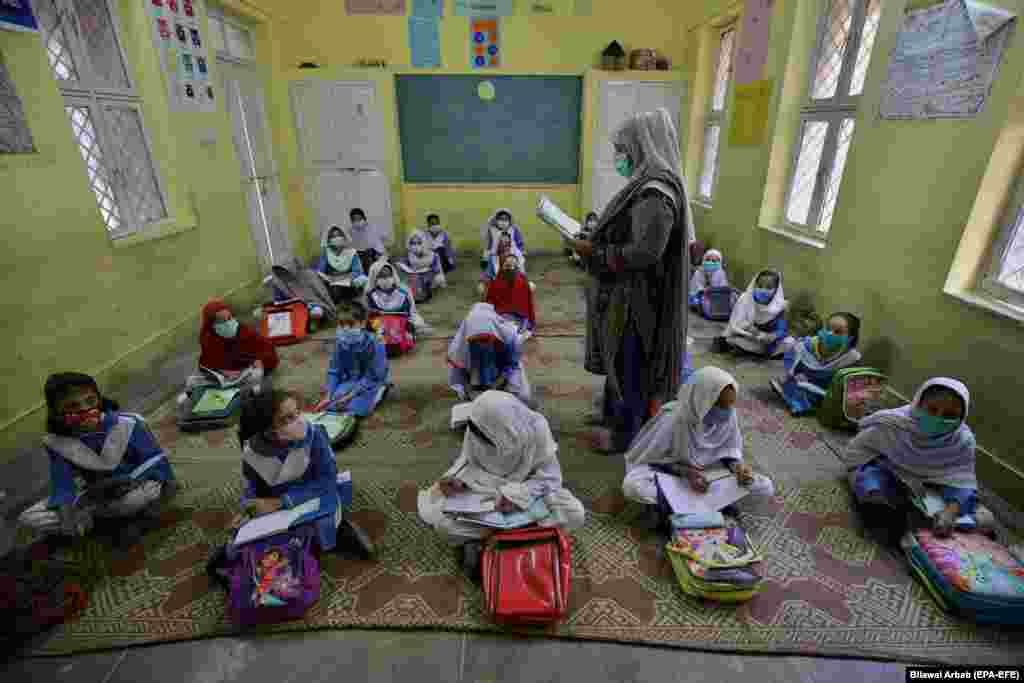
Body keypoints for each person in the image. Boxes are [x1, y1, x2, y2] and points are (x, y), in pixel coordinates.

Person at [570, 108, 694, 454]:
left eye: (623, 149)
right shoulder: (645, 188)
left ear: (642, 147)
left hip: (640, 301)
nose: (619, 157)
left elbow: (643, 254)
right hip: (628, 294)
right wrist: (595, 240)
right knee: (620, 359)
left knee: (632, 364)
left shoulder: (656, 194)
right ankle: (613, 416)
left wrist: (594, 252)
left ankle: (626, 436)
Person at [417, 390, 585, 578]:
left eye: (489, 438)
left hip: (529, 494)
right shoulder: (476, 425)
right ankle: (527, 538)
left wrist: (516, 496)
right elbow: (465, 461)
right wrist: (455, 479)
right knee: (444, 525)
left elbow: (551, 478)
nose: (482, 441)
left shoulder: (537, 428)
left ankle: (487, 541)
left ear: (507, 429)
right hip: (486, 495)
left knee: (574, 513)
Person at [17, 373, 178, 549]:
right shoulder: (57, 442)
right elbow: (62, 485)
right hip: (94, 495)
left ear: (99, 399)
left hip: (132, 486)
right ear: (57, 412)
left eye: (90, 400)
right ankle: (94, 519)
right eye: (72, 406)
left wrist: (137, 482)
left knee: (135, 499)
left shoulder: (127, 424)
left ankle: (94, 521)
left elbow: (154, 461)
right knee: (29, 517)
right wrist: (67, 516)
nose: (85, 410)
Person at [622, 367, 774, 528]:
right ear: (703, 400)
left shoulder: (729, 416)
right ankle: (712, 507)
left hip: (712, 477)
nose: (727, 412)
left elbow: (730, 450)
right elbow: (652, 459)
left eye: (730, 405)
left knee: (764, 487)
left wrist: (738, 467)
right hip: (677, 478)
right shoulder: (674, 419)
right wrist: (687, 473)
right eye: (721, 406)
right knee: (633, 485)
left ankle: (680, 509)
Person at [841, 378, 980, 547]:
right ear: (917, 405)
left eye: (949, 416)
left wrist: (951, 511)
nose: (938, 418)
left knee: (968, 500)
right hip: (891, 471)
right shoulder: (894, 423)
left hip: (933, 484)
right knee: (869, 474)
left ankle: (938, 518)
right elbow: (858, 452)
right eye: (932, 410)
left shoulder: (962, 440)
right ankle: (877, 504)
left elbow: (962, 479)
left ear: (961, 418)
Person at [236, 388, 374, 557]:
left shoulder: (315, 436)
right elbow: (250, 487)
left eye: (297, 413)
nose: (299, 421)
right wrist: (249, 507)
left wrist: (282, 502)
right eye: (286, 419)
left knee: (323, 521)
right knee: (259, 538)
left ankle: (341, 530)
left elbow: (327, 481)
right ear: (267, 430)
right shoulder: (252, 453)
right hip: (277, 504)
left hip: (312, 494)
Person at [179, 300, 279, 407]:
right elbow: (207, 363)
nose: (228, 323)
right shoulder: (207, 338)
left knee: (256, 375)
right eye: (222, 321)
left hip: (245, 373)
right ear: (211, 324)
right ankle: (193, 394)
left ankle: (248, 393)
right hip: (222, 378)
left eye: (230, 318)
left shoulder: (243, 331)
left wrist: (261, 360)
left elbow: (267, 348)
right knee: (192, 381)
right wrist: (222, 372)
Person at [770, 312, 863, 416]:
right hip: (803, 383)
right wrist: (796, 374)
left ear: (850, 338)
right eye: (827, 328)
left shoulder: (851, 358)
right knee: (796, 386)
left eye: (838, 332)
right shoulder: (806, 345)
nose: (830, 334)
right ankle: (800, 400)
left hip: (827, 392)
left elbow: (850, 383)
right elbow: (792, 363)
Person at [312, 304, 391, 419]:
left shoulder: (376, 343)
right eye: (341, 325)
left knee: (355, 409)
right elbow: (334, 370)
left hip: (372, 382)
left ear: (362, 323)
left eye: (351, 325)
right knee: (332, 406)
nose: (345, 329)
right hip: (351, 380)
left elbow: (373, 376)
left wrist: (349, 396)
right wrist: (328, 396)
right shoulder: (340, 342)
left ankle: (382, 389)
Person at [448, 303, 531, 404]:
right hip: (477, 381)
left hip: (502, 374)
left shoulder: (509, 337)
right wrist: (467, 389)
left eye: (485, 340)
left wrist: (500, 381)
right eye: (476, 341)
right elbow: (458, 376)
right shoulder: (459, 348)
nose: (481, 344)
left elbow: (512, 364)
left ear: (494, 335)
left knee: (521, 396)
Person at [717, 269, 788, 358]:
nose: (763, 290)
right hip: (747, 336)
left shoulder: (779, 306)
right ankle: (749, 350)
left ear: (776, 290)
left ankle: (755, 351)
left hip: (767, 341)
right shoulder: (745, 299)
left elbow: (782, 329)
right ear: (754, 285)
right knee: (733, 340)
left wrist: (772, 336)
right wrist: (752, 331)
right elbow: (736, 324)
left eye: (769, 287)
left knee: (789, 343)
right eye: (760, 286)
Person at [364, 260, 429, 342]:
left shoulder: (402, 293)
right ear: (375, 278)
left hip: (400, 322)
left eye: (388, 276)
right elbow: (372, 315)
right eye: (381, 277)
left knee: (413, 326)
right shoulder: (371, 295)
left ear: (393, 276)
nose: (386, 280)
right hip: (381, 324)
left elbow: (408, 313)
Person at [267, 256, 336, 331]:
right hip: (291, 309)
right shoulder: (279, 283)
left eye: (285, 270)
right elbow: (277, 301)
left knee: (317, 311)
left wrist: (327, 306)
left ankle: (314, 323)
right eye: (281, 270)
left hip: (311, 306)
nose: (284, 273)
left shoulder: (309, 275)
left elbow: (321, 294)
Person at [484, 252, 536, 339]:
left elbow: (528, 306)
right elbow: (489, 304)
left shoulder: (522, 281)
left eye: (512, 265)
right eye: (508, 265)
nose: (510, 268)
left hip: (517, 320)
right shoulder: (496, 283)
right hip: (502, 319)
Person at [315, 225, 368, 303]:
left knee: (363, 279)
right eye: (333, 236)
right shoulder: (326, 253)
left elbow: (357, 271)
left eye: (339, 235)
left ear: (344, 237)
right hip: (333, 280)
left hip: (349, 279)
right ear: (329, 240)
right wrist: (328, 278)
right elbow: (320, 271)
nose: (337, 238)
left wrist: (344, 278)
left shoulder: (351, 252)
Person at [398, 229, 446, 304]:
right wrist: (401, 266)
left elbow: (436, 270)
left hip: (428, 278)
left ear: (424, 243)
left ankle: (426, 293)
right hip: (414, 278)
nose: (415, 246)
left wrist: (426, 273)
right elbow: (403, 263)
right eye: (413, 243)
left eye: (419, 243)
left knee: (437, 279)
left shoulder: (432, 256)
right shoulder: (409, 255)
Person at [479, 231, 529, 297]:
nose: (505, 245)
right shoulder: (493, 257)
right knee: (482, 288)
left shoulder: (516, 256)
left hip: (513, 284)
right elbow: (487, 273)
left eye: (507, 242)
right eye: (502, 242)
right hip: (498, 285)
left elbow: (522, 273)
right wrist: (483, 282)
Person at [349, 208, 387, 273]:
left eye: (359, 219)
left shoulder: (374, 227)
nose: (357, 222)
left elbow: (384, 239)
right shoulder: (351, 231)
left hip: (376, 254)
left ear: (364, 218)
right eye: (354, 220)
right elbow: (352, 248)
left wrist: (380, 253)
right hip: (361, 256)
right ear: (351, 222)